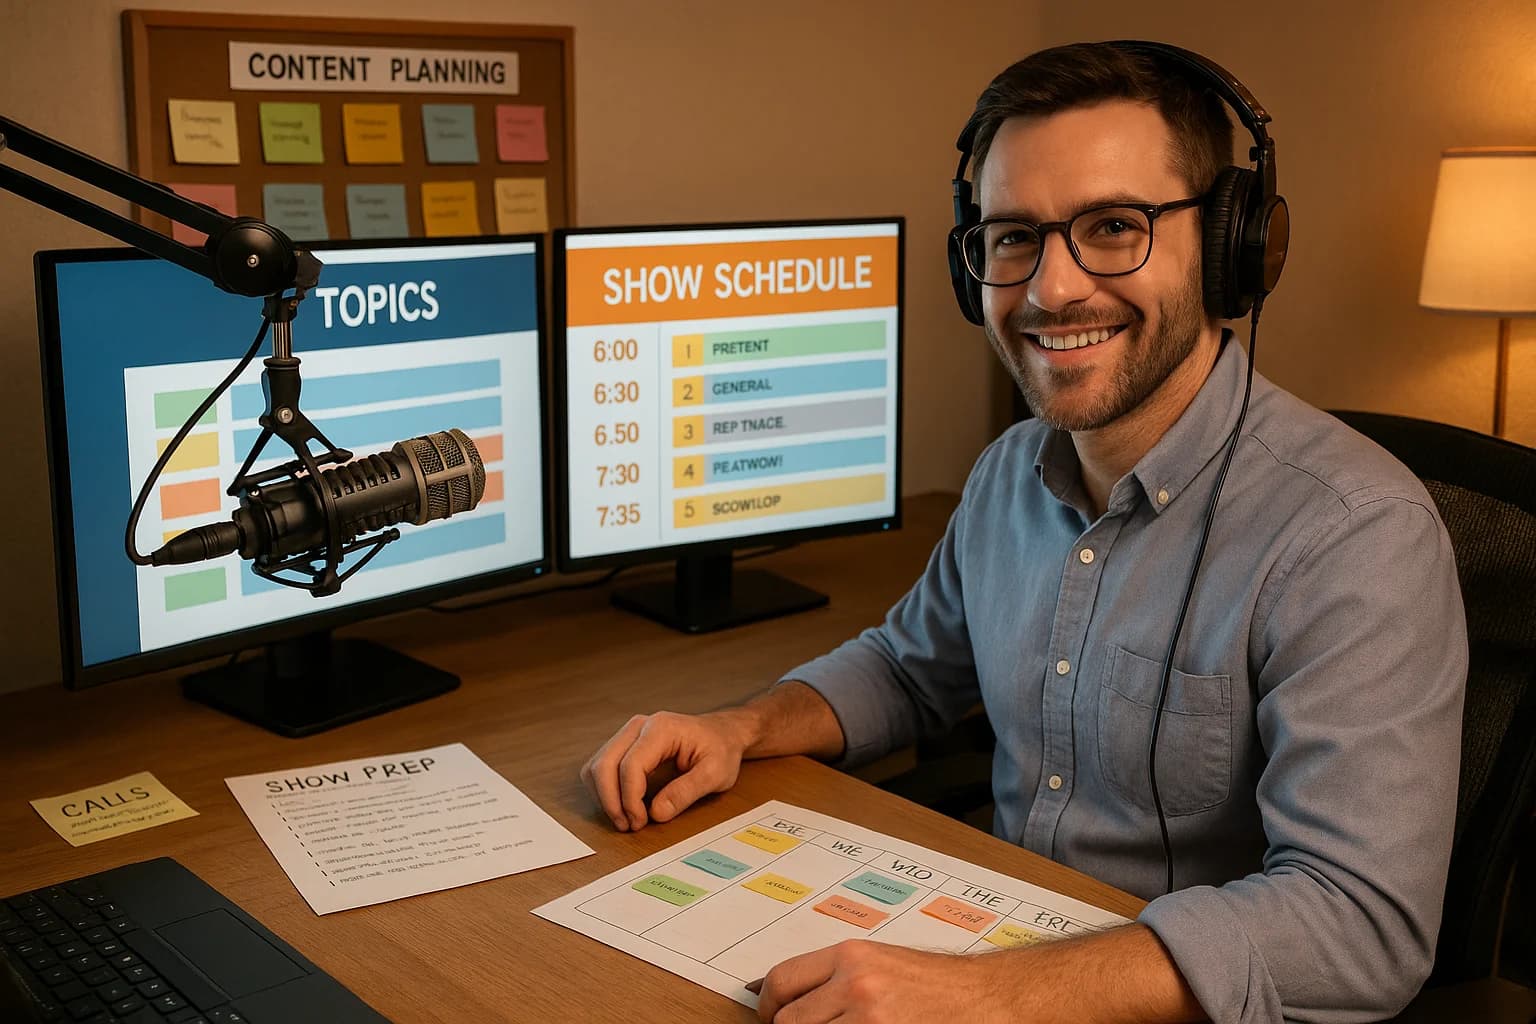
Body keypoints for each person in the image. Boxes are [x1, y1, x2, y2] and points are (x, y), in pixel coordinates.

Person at [582, 41, 1467, 1024]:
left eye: (1114, 226)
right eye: (1013, 237)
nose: (1051, 289)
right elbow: (910, 670)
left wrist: (993, 994)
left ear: (1230, 244)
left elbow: (1362, 925)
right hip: (985, 944)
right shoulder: (1012, 471)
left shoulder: (1354, 535)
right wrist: (738, 727)